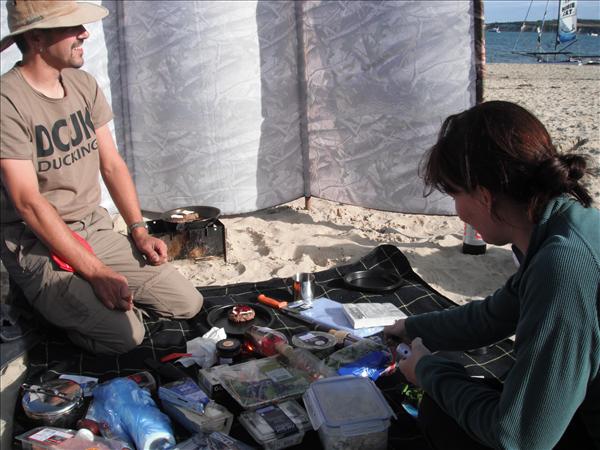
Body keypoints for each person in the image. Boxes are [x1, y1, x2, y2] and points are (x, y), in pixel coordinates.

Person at [384, 101, 599, 449]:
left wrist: (428, 371)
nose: (458, 213)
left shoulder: (562, 266)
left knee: (444, 417)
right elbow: (494, 316)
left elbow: (520, 437)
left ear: (484, 196)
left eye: (455, 194)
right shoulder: (563, 223)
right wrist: (411, 328)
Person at [0, 0, 203, 355]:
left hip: (94, 230)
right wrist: (96, 273)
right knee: (125, 336)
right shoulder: (7, 102)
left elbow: (111, 165)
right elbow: (28, 203)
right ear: (36, 38)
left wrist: (139, 231)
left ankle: (84, 302)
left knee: (187, 302)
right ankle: (43, 305)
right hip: (39, 244)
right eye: (71, 27)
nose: (85, 34)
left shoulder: (82, 84)